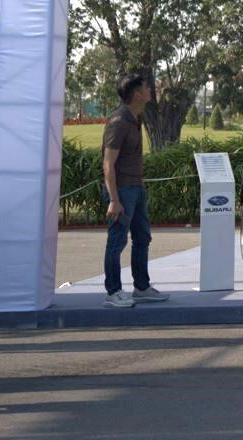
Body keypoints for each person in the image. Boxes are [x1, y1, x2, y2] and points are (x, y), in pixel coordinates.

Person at [101, 73, 170, 309]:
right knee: (117, 241)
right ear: (137, 94)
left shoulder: (135, 118)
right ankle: (113, 292)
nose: (151, 90)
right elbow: (108, 164)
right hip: (121, 191)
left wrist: (139, 187)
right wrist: (114, 199)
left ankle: (141, 287)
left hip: (136, 188)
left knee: (142, 238)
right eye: (146, 87)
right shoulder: (119, 122)